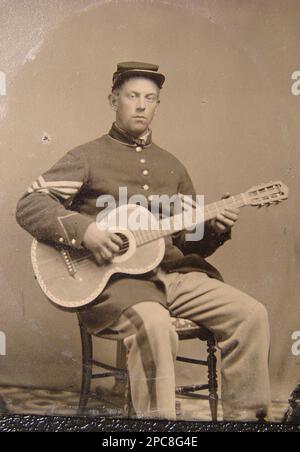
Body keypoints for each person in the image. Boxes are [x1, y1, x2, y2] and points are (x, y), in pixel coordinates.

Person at [16, 61, 271, 421]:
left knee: (250, 315)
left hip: (172, 276)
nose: (141, 105)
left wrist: (216, 227)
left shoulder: (172, 166)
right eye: (132, 96)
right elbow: (30, 204)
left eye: (150, 98)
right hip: (115, 284)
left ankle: (247, 422)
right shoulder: (86, 157)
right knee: (154, 326)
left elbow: (190, 244)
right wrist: (87, 232)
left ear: (156, 105)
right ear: (113, 100)